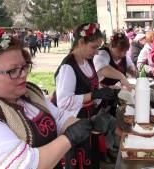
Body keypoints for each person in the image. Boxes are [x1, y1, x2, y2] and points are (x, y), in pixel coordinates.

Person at [0, 28, 110, 169]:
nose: (23, 74)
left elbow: (59, 117)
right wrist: (69, 137)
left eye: (25, 66)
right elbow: (27, 164)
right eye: (13, 70)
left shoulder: (30, 93)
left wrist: (91, 124)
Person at [54, 23, 116, 169]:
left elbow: (92, 84)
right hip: (75, 125)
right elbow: (64, 102)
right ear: (81, 42)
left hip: (89, 121)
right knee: (82, 160)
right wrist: (93, 95)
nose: (96, 53)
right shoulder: (68, 67)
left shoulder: (87, 61)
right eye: (94, 47)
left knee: (92, 158)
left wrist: (107, 90)